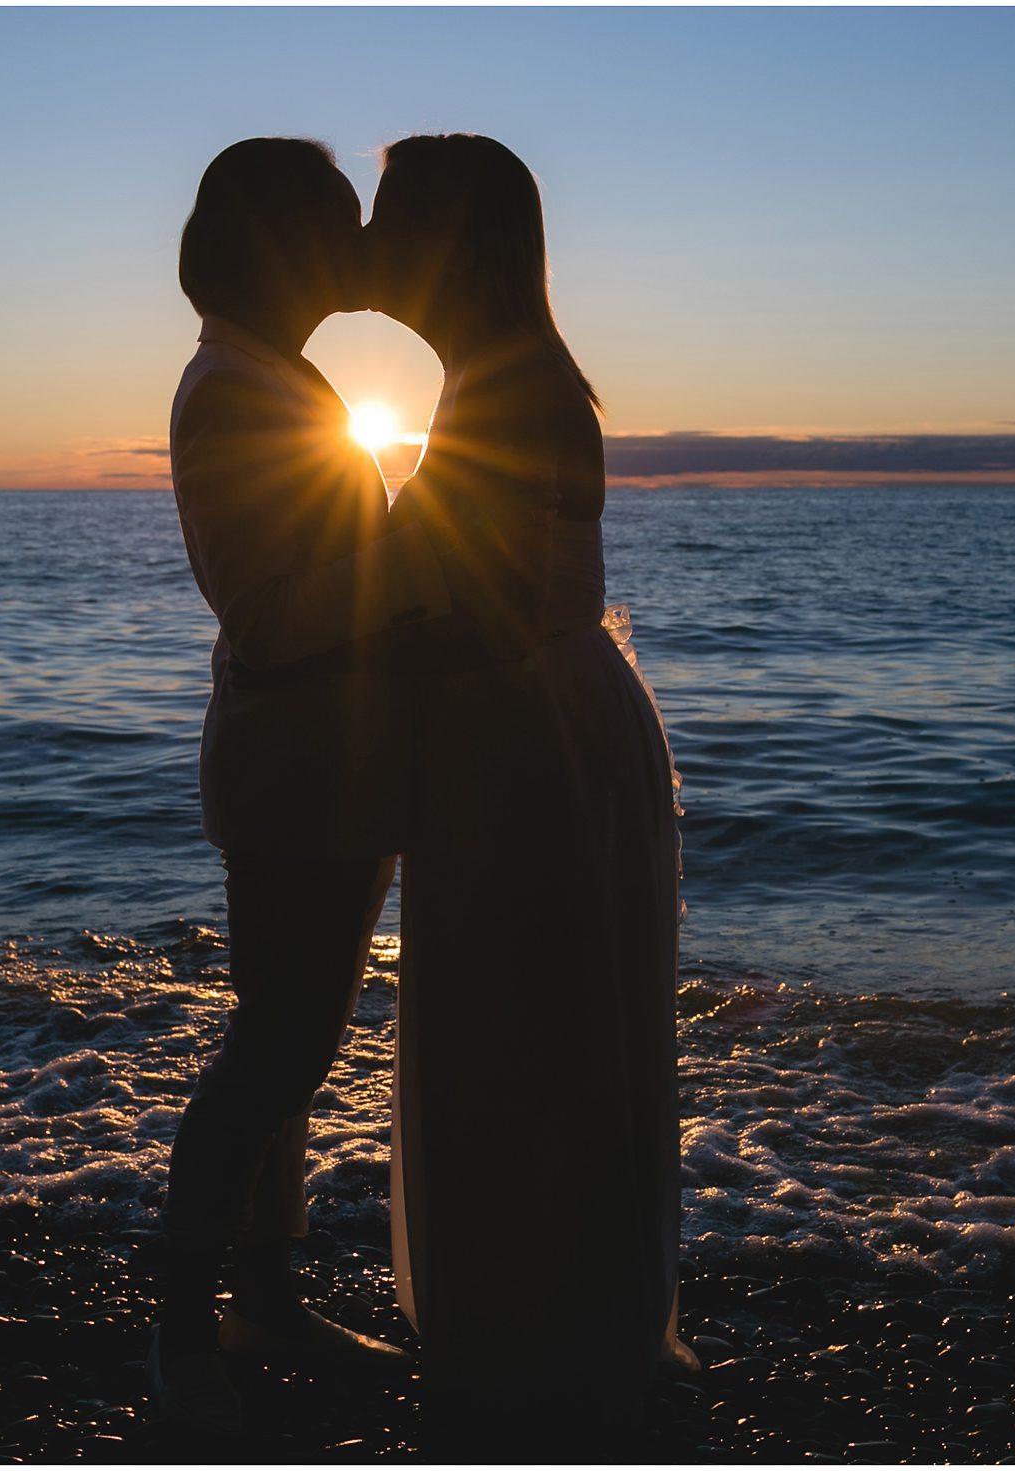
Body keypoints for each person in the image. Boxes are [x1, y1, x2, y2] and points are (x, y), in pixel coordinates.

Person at [364, 134, 689, 1446]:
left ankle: (536, 1339)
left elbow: (481, 617)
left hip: (529, 748)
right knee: (544, 1031)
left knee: (525, 1036)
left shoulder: (509, 393)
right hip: (533, 734)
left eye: (392, 220)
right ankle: (543, 1323)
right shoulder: (503, 379)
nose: (370, 245)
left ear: (451, 246)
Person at [152, 136, 449, 1432]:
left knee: (289, 1046)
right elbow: (270, 610)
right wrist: (421, 575)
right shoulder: (233, 390)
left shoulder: (273, 373)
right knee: (272, 1053)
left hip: (326, 766)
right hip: (292, 775)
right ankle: (180, 1338)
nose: (358, 250)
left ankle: (264, 1298)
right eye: (335, 227)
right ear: (278, 248)